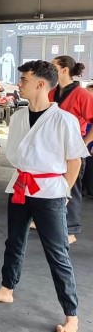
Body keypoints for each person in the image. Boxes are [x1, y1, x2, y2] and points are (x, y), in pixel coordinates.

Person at [0, 60, 86, 332]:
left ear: (40, 84)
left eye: (24, 79)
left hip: (50, 190)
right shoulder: (19, 116)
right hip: (21, 186)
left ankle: (71, 315)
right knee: (14, 239)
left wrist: (64, 195)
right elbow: (16, 153)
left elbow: (74, 162)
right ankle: (6, 289)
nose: (20, 83)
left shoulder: (64, 119)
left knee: (57, 252)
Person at [49, 55, 93, 244]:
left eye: (53, 66)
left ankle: (71, 230)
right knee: (52, 185)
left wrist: (84, 143)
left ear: (64, 70)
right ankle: (49, 220)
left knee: (71, 187)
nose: (50, 69)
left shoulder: (82, 95)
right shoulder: (52, 92)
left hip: (73, 148)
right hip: (53, 147)